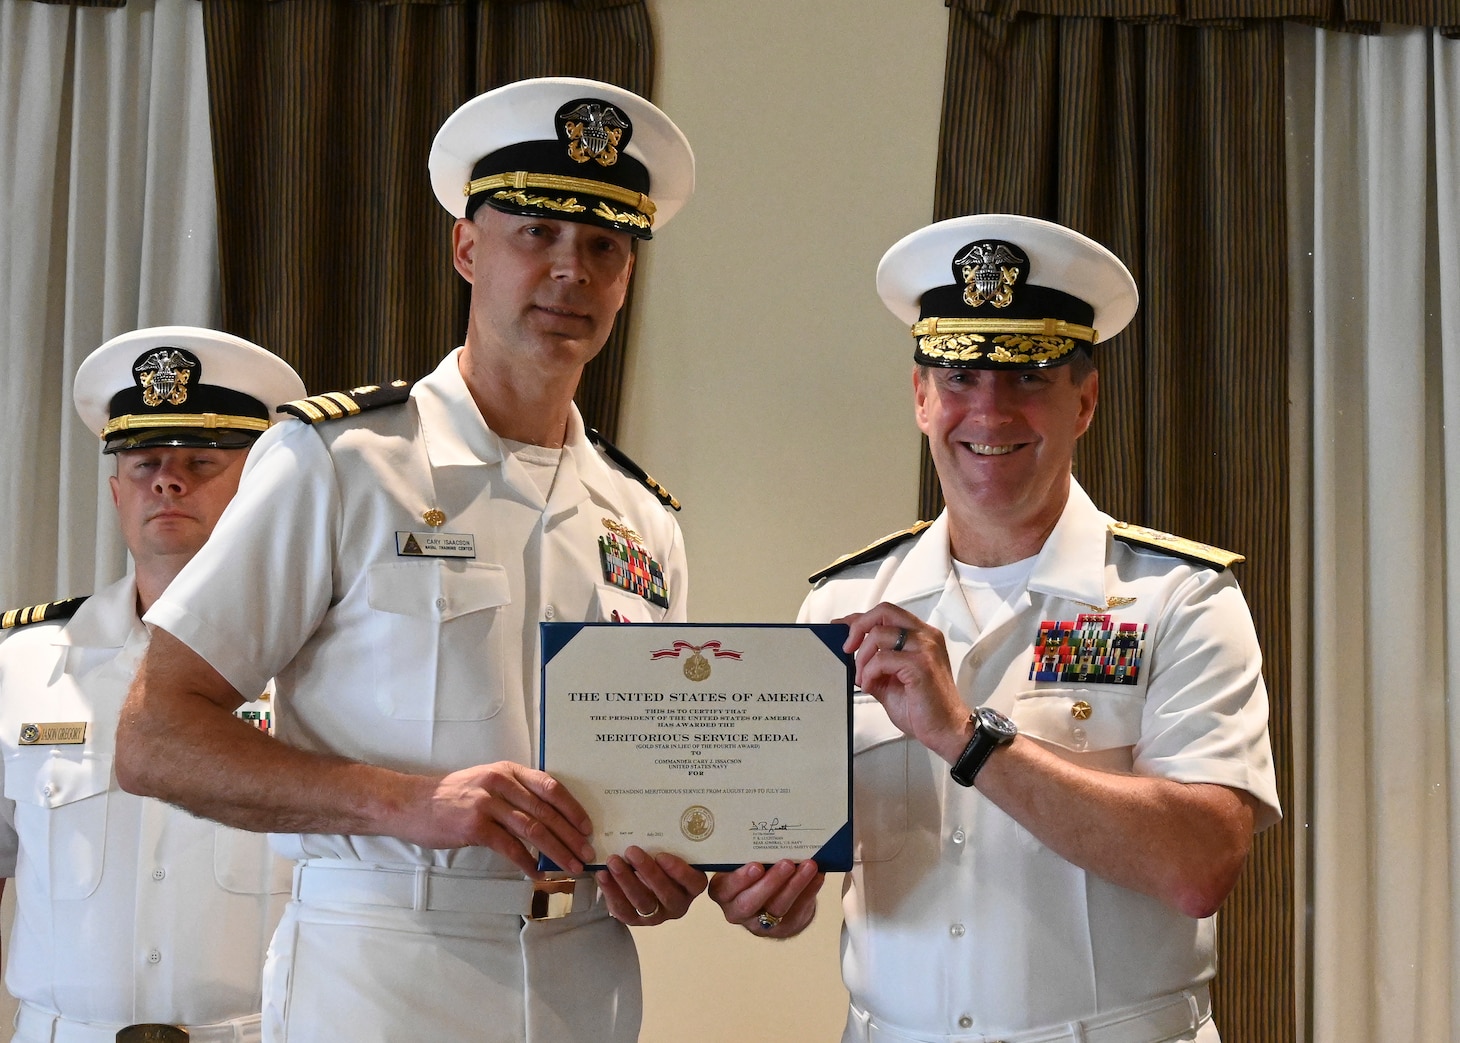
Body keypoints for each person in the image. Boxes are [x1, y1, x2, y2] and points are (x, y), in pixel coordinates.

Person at [113, 77, 704, 1043]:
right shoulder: (341, 463)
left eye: (605, 245)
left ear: (627, 277)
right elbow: (154, 737)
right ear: (469, 249)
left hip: (586, 977)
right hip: (383, 965)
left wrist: (663, 872)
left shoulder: (642, 518)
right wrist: (413, 804)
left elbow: (659, 782)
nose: (573, 270)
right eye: (537, 234)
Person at [710, 215, 1282, 1042]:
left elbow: (1200, 864)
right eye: (960, 375)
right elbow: (784, 867)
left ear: (1084, 400)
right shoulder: (840, 606)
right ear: (919, 395)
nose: (989, 409)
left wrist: (966, 736)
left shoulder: (1178, 598)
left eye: (1028, 376)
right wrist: (761, 899)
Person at [0, 326, 305, 1043]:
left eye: (201, 459)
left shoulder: (312, 669)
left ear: (259, 487)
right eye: (145, 463)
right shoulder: (20, 664)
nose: (168, 480)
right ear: (115, 492)